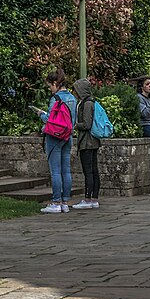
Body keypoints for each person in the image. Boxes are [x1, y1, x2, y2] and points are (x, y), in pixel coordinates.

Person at [36, 68, 77, 214]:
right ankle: (65, 202)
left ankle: (56, 202)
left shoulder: (56, 99)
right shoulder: (72, 98)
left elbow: (50, 119)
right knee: (66, 170)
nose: (50, 89)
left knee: (55, 171)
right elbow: (73, 120)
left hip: (55, 137)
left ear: (55, 83)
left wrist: (41, 114)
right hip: (67, 136)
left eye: (50, 86)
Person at [71, 78, 102, 209]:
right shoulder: (90, 102)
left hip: (87, 141)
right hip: (92, 141)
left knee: (89, 171)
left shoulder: (87, 104)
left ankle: (88, 198)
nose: (74, 92)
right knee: (93, 170)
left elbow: (87, 124)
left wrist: (75, 125)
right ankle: (94, 198)